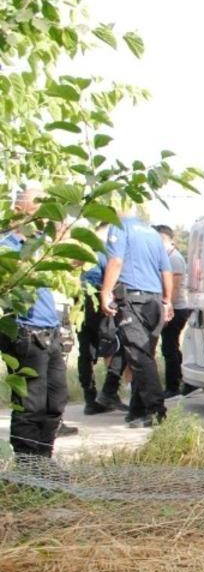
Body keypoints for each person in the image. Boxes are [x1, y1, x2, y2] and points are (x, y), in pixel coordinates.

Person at [2, 186, 71, 464]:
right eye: (37, 207)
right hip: (24, 332)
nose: (42, 213)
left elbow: (75, 259)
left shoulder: (43, 243)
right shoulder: (7, 246)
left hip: (50, 332)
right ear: (19, 210)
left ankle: (44, 461)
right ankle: (28, 469)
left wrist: (59, 223)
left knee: (55, 401)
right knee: (30, 405)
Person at [99, 214, 174, 428]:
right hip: (155, 300)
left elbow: (116, 261)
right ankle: (137, 409)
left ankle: (156, 411)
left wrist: (105, 292)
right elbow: (166, 270)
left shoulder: (120, 227)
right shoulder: (152, 232)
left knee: (138, 356)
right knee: (145, 355)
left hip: (134, 299)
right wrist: (167, 300)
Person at [77, 231, 128, 415]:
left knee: (86, 352)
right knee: (116, 346)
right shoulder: (104, 252)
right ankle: (110, 392)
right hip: (100, 301)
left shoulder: (78, 252)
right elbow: (114, 275)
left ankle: (90, 399)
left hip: (81, 301)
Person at [154, 224, 191, 399]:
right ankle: (185, 382)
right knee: (171, 348)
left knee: (169, 348)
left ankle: (173, 386)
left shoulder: (174, 259)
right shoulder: (166, 257)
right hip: (172, 307)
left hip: (176, 308)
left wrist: (167, 309)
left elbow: (174, 290)